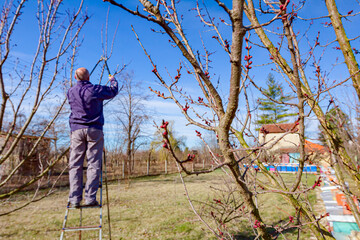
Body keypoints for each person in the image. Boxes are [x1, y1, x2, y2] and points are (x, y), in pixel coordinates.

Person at [67, 67, 118, 207]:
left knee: (75, 165)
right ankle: (90, 198)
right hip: (95, 129)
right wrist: (112, 80)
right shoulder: (95, 90)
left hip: (76, 130)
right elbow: (113, 91)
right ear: (89, 78)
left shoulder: (70, 92)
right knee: (94, 164)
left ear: (75, 78)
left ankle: (74, 199)